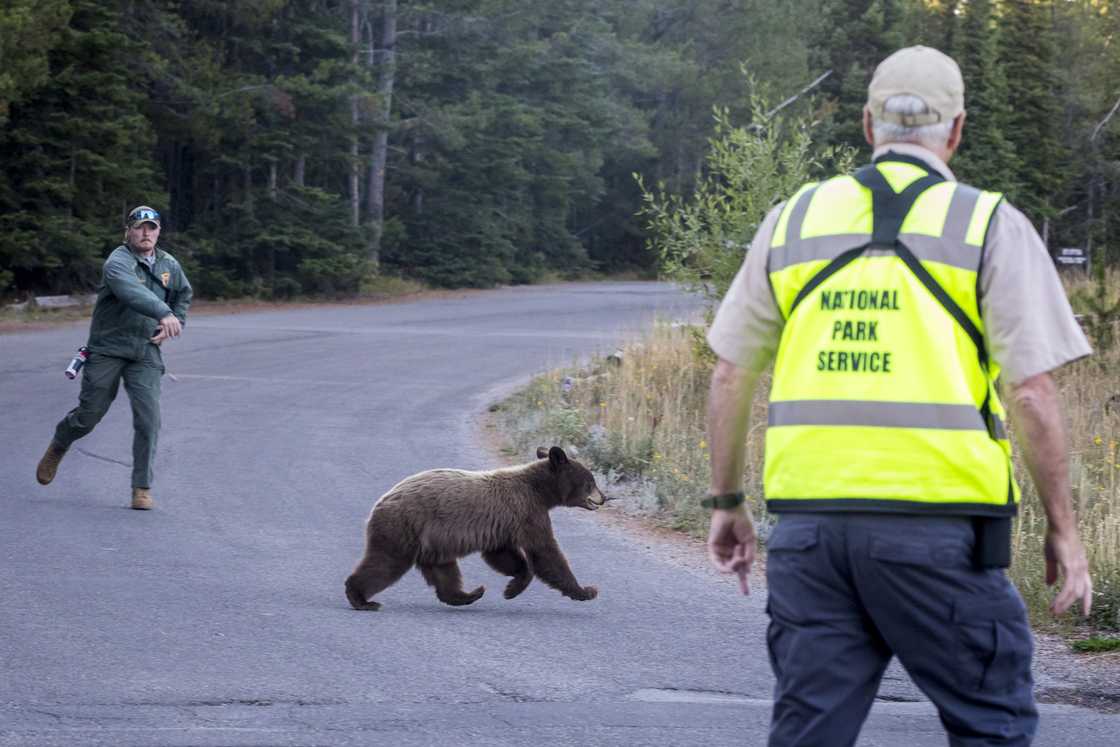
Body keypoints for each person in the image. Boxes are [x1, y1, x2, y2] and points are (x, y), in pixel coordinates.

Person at [702, 46, 1094, 746]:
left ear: (867, 124)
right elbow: (1031, 393)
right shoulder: (987, 224)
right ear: (957, 130)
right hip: (939, 532)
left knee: (809, 731)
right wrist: (1063, 527)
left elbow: (731, 373)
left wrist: (727, 502)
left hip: (810, 533)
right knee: (991, 723)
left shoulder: (793, 220)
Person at [36, 205, 193, 510]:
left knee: (149, 420)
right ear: (128, 231)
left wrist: (175, 322)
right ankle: (60, 442)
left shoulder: (168, 264)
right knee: (89, 415)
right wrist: (164, 312)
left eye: (152, 228)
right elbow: (130, 292)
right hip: (108, 347)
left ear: (159, 232)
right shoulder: (118, 261)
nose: (146, 233)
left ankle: (141, 487)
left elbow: (182, 294)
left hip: (145, 350)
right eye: (139, 227)